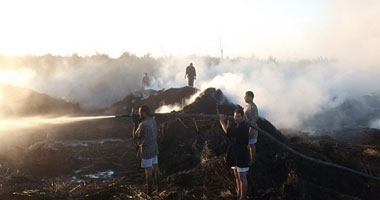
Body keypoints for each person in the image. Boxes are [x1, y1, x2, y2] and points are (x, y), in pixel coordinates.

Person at [219, 109, 250, 200]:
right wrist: (228, 121)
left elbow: (227, 131)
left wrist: (221, 121)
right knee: (237, 175)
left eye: (238, 116)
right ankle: (239, 194)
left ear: (243, 117)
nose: (236, 118)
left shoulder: (243, 127)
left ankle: (243, 197)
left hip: (241, 153)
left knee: (242, 177)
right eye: (235, 116)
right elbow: (230, 133)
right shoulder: (238, 125)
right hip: (235, 153)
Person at [133, 105, 161, 194]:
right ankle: (159, 188)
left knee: (148, 171)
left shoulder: (143, 124)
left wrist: (135, 123)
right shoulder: (153, 120)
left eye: (140, 112)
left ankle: (149, 191)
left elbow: (135, 136)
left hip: (147, 150)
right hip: (154, 147)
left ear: (144, 113)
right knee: (156, 168)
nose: (139, 114)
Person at [243, 91, 259, 166]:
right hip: (246, 127)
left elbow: (255, 118)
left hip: (251, 128)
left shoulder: (253, 106)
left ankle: (253, 160)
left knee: (251, 144)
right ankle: (248, 157)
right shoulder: (246, 106)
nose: (244, 97)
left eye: (246, 96)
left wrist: (251, 129)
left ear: (250, 97)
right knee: (248, 144)